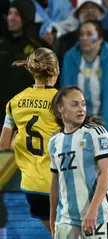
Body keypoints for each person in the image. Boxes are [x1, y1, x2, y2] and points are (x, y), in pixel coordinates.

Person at [0, 47, 60, 232]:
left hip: (30, 186)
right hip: (57, 184)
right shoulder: (61, 100)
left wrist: (20, 138)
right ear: (56, 68)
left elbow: (3, 144)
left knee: (58, 233)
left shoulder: (15, 101)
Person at [49, 86, 108, 238]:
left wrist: (92, 210)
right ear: (60, 108)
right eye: (74, 104)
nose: (81, 109)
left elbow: (106, 174)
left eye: (83, 104)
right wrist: (53, 217)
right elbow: (55, 181)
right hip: (66, 220)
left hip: (99, 217)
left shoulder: (96, 132)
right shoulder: (54, 141)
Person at [61, 20, 108, 133]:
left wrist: (104, 128)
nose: (84, 38)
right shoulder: (70, 57)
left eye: (89, 34)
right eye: (81, 34)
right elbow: (67, 92)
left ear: (100, 39)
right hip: (74, 123)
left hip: (101, 122)